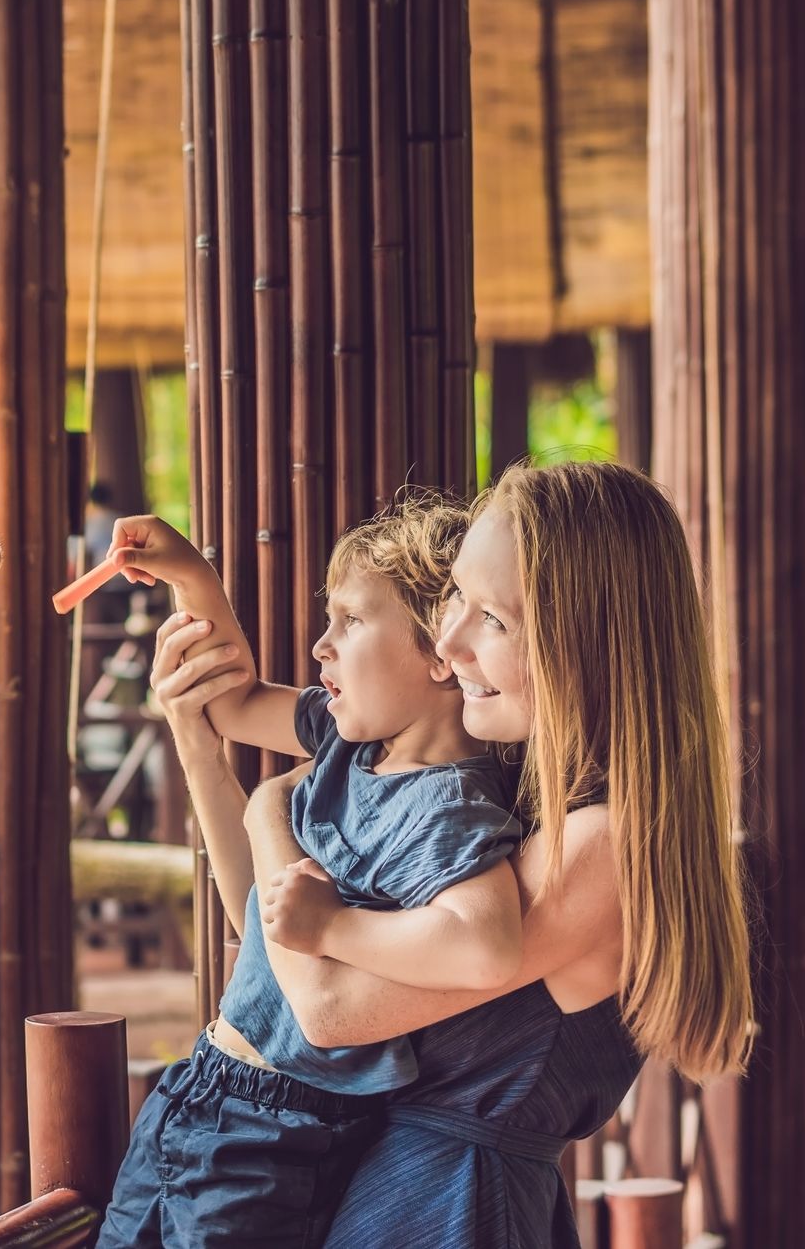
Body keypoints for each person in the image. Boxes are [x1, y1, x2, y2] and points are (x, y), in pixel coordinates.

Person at [151, 460, 753, 1246]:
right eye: (456, 599)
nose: (450, 638)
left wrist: (272, 808)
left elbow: (327, 1005)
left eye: (493, 618)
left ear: (588, 640)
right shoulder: (516, 788)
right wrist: (198, 742)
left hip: (452, 1210)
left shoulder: (602, 845)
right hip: (393, 1195)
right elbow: (276, 946)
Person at [95, 494, 527, 1249]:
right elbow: (228, 703)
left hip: (276, 1134)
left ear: (438, 652)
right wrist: (192, 577)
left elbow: (486, 941)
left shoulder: (448, 805)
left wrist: (333, 926)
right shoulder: (347, 741)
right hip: (201, 1084)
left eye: (351, 621)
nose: (321, 646)